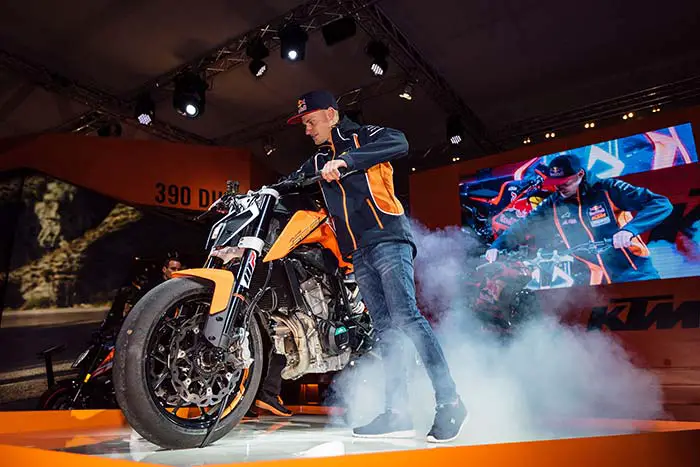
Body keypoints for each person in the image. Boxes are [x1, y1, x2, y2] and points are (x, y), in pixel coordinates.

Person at [285, 90, 467, 443]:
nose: (307, 130)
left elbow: (399, 142)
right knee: (386, 332)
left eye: (311, 121)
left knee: (407, 318)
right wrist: (260, 193)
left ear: (331, 115)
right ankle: (396, 412)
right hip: (358, 252)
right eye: (304, 124)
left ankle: (450, 401)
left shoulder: (364, 136)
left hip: (388, 239)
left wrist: (346, 162)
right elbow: (290, 181)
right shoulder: (318, 159)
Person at [486, 154, 673, 284]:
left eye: (565, 183)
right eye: (555, 184)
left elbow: (661, 203)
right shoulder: (553, 203)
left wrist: (629, 230)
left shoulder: (607, 189)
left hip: (636, 276)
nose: (559, 188)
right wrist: (497, 246)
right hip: (595, 286)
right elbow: (524, 225)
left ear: (580, 174)